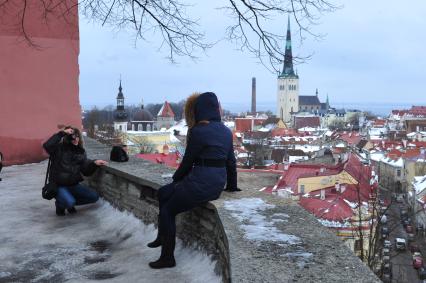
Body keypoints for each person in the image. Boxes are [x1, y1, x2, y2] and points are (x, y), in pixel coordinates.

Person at [147, 92, 239, 269]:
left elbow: (188, 162)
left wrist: (176, 180)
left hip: (200, 184)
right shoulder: (226, 132)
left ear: (199, 110)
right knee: (163, 192)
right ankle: (161, 236)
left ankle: (167, 257)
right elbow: (231, 162)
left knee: (168, 211)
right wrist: (232, 187)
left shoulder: (198, 131)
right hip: (216, 184)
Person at [43, 126, 108, 216]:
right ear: (67, 137)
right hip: (59, 186)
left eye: (77, 136)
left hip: (73, 185)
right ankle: (60, 204)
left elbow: (86, 171)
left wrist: (94, 163)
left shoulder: (80, 151)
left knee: (94, 197)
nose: (75, 139)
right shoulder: (59, 149)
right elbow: (47, 145)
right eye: (72, 136)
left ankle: (67, 202)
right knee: (70, 202)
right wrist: (62, 133)